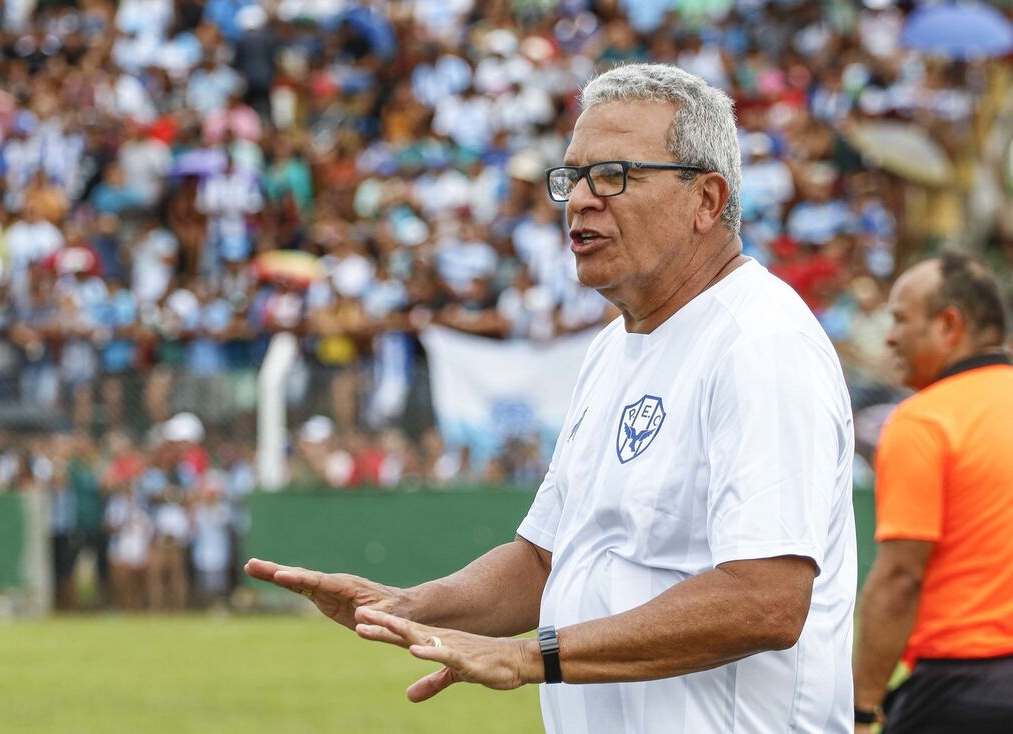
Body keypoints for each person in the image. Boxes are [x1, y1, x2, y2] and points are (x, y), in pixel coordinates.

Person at [247, 63, 857, 733]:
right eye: (573, 177)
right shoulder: (613, 348)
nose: (582, 199)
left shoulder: (759, 343)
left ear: (706, 201)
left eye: (615, 175)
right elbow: (545, 560)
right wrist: (411, 604)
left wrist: (531, 657)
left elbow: (765, 600)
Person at [853, 254, 1013, 733]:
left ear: (949, 325)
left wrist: (863, 710)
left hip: (960, 688)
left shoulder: (924, 419)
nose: (890, 336)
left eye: (901, 318)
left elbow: (901, 578)